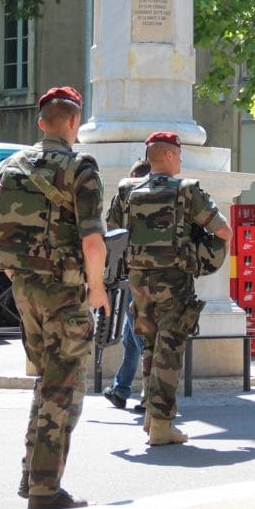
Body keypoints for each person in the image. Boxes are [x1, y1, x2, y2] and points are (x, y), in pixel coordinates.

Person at [0, 85, 109, 509]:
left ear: (41, 122)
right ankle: (44, 489)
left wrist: (25, 277)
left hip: (24, 290)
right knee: (64, 387)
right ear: (74, 121)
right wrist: (96, 288)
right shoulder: (81, 168)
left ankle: (32, 476)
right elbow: (92, 241)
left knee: (47, 381)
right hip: (64, 292)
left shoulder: (9, 168)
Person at [107, 132, 231, 446]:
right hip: (174, 283)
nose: (181, 159)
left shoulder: (126, 190)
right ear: (169, 155)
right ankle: (162, 425)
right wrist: (200, 252)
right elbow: (224, 231)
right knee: (169, 352)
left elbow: (112, 233)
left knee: (150, 348)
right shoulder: (186, 190)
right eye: (179, 153)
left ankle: (151, 416)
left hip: (139, 284)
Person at [103, 159, 151, 413]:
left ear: (133, 176)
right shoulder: (167, 196)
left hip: (132, 273)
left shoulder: (125, 196)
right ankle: (121, 389)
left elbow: (113, 234)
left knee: (140, 337)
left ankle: (148, 395)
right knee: (131, 337)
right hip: (161, 275)